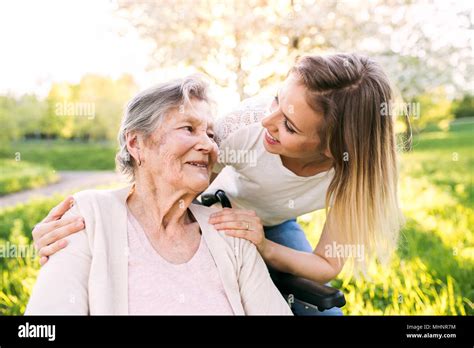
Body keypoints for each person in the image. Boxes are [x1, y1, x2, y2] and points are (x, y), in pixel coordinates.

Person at [31, 53, 404, 316]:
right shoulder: (242, 127)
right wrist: (94, 219)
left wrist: (262, 245)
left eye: (289, 125)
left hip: (269, 225)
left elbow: (325, 263)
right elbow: (164, 178)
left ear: (333, 148)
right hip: (221, 204)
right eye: (276, 99)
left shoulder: (353, 172)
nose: (267, 121)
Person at [25, 76, 292, 315]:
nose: (208, 144)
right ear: (136, 144)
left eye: (210, 134)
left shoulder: (228, 231)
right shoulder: (88, 217)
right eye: (188, 128)